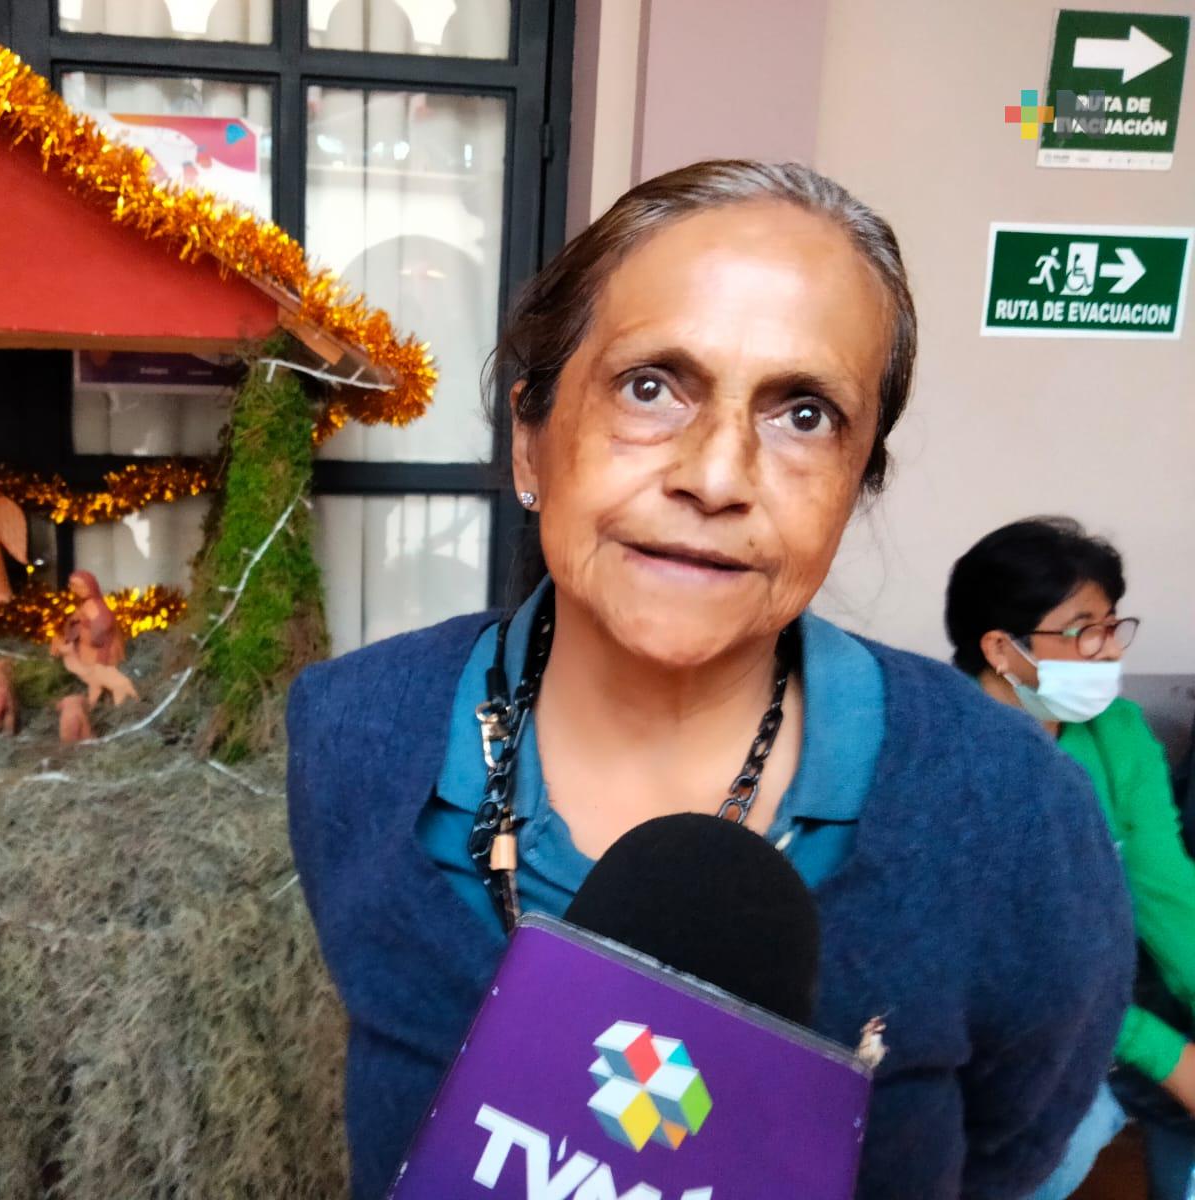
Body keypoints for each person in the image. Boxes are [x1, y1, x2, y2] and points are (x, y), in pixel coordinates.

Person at [285, 161, 1134, 1200]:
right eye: (650, 386)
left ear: (857, 484)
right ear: (529, 440)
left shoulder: (1009, 811)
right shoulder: (355, 736)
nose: (717, 475)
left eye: (804, 415)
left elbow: (1010, 1146)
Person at [947, 517, 1195, 1200]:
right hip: (1004, 1029)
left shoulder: (1116, 732)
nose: (1108, 650)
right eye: (1085, 630)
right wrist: (1167, 1054)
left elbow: (1165, 890)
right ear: (1003, 647)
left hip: (1113, 993)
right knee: (1047, 1150)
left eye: (1114, 626)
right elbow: (1012, 972)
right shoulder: (943, 753)